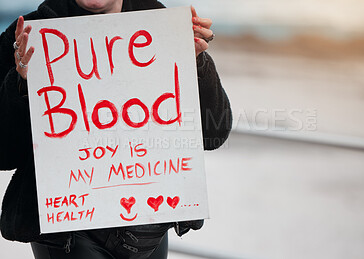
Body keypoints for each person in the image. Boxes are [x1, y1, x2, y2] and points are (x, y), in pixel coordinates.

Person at [0, 0, 232, 258]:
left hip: (148, 229)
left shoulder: (164, 29)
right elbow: (4, 154)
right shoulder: (26, 37)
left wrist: (197, 64)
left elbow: (214, 133)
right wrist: (20, 84)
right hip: (67, 229)